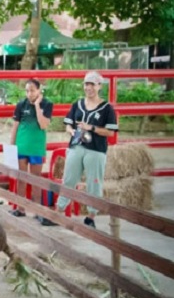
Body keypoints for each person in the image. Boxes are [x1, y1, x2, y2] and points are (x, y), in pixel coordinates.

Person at [47, 71, 118, 228]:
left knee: (94, 182)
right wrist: (71, 131)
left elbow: (111, 132)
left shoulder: (107, 109)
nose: (89, 87)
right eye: (86, 84)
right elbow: (68, 123)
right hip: (76, 146)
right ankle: (58, 212)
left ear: (99, 86)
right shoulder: (77, 104)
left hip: (95, 150)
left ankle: (91, 217)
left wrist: (91, 128)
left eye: (92, 84)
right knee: (69, 179)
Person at [9, 79, 53, 220]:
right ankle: (20, 209)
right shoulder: (21, 104)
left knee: (36, 180)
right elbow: (15, 126)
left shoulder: (47, 104)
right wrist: (11, 146)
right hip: (21, 146)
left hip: (36, 147)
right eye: (27, 90)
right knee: (21, 178)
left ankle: (37, 210)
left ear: (39, 90)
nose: (29, 93)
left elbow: (43, 124)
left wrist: (37, 105)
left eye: (32, 90)